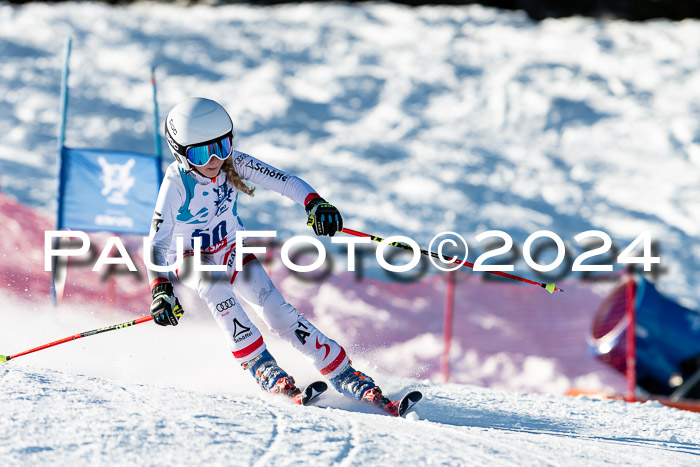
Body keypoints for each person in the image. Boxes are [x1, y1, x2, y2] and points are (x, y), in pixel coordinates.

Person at [146, 97, 399, 414]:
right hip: (190, 258)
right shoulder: (176, 184)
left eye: (222, 146)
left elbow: (286, 181)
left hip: (230, 248)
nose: (214, 159)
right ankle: (263, 368)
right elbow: (157, 241)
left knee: (277, 311)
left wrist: (315, 203)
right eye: (200, 152)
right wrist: (160, 288)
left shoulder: (234, 164)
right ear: (180, 153)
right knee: (219, 294)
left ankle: (344, 373)